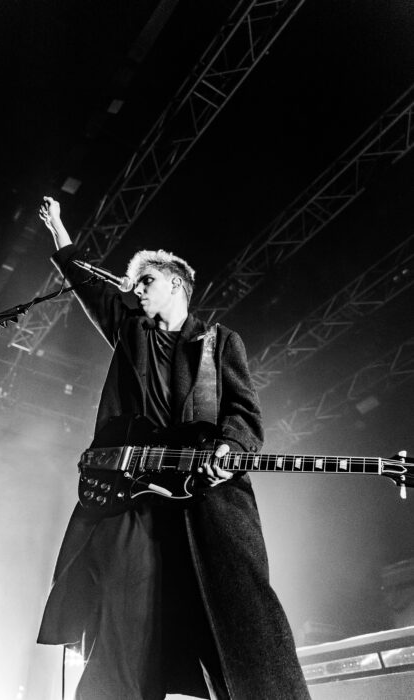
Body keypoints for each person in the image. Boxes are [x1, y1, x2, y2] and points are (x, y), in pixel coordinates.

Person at [37, 196, 310, 700]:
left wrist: (230, 448)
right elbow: (86, 283)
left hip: (205, 499)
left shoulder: (219, 343)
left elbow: (243, 412)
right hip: (135, 499)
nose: (136, 289)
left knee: (235, 621)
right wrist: (59, 230)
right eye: (134, 283)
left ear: (176, 285)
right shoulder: (130, 332)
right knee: (123, 623)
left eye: (146, 281)